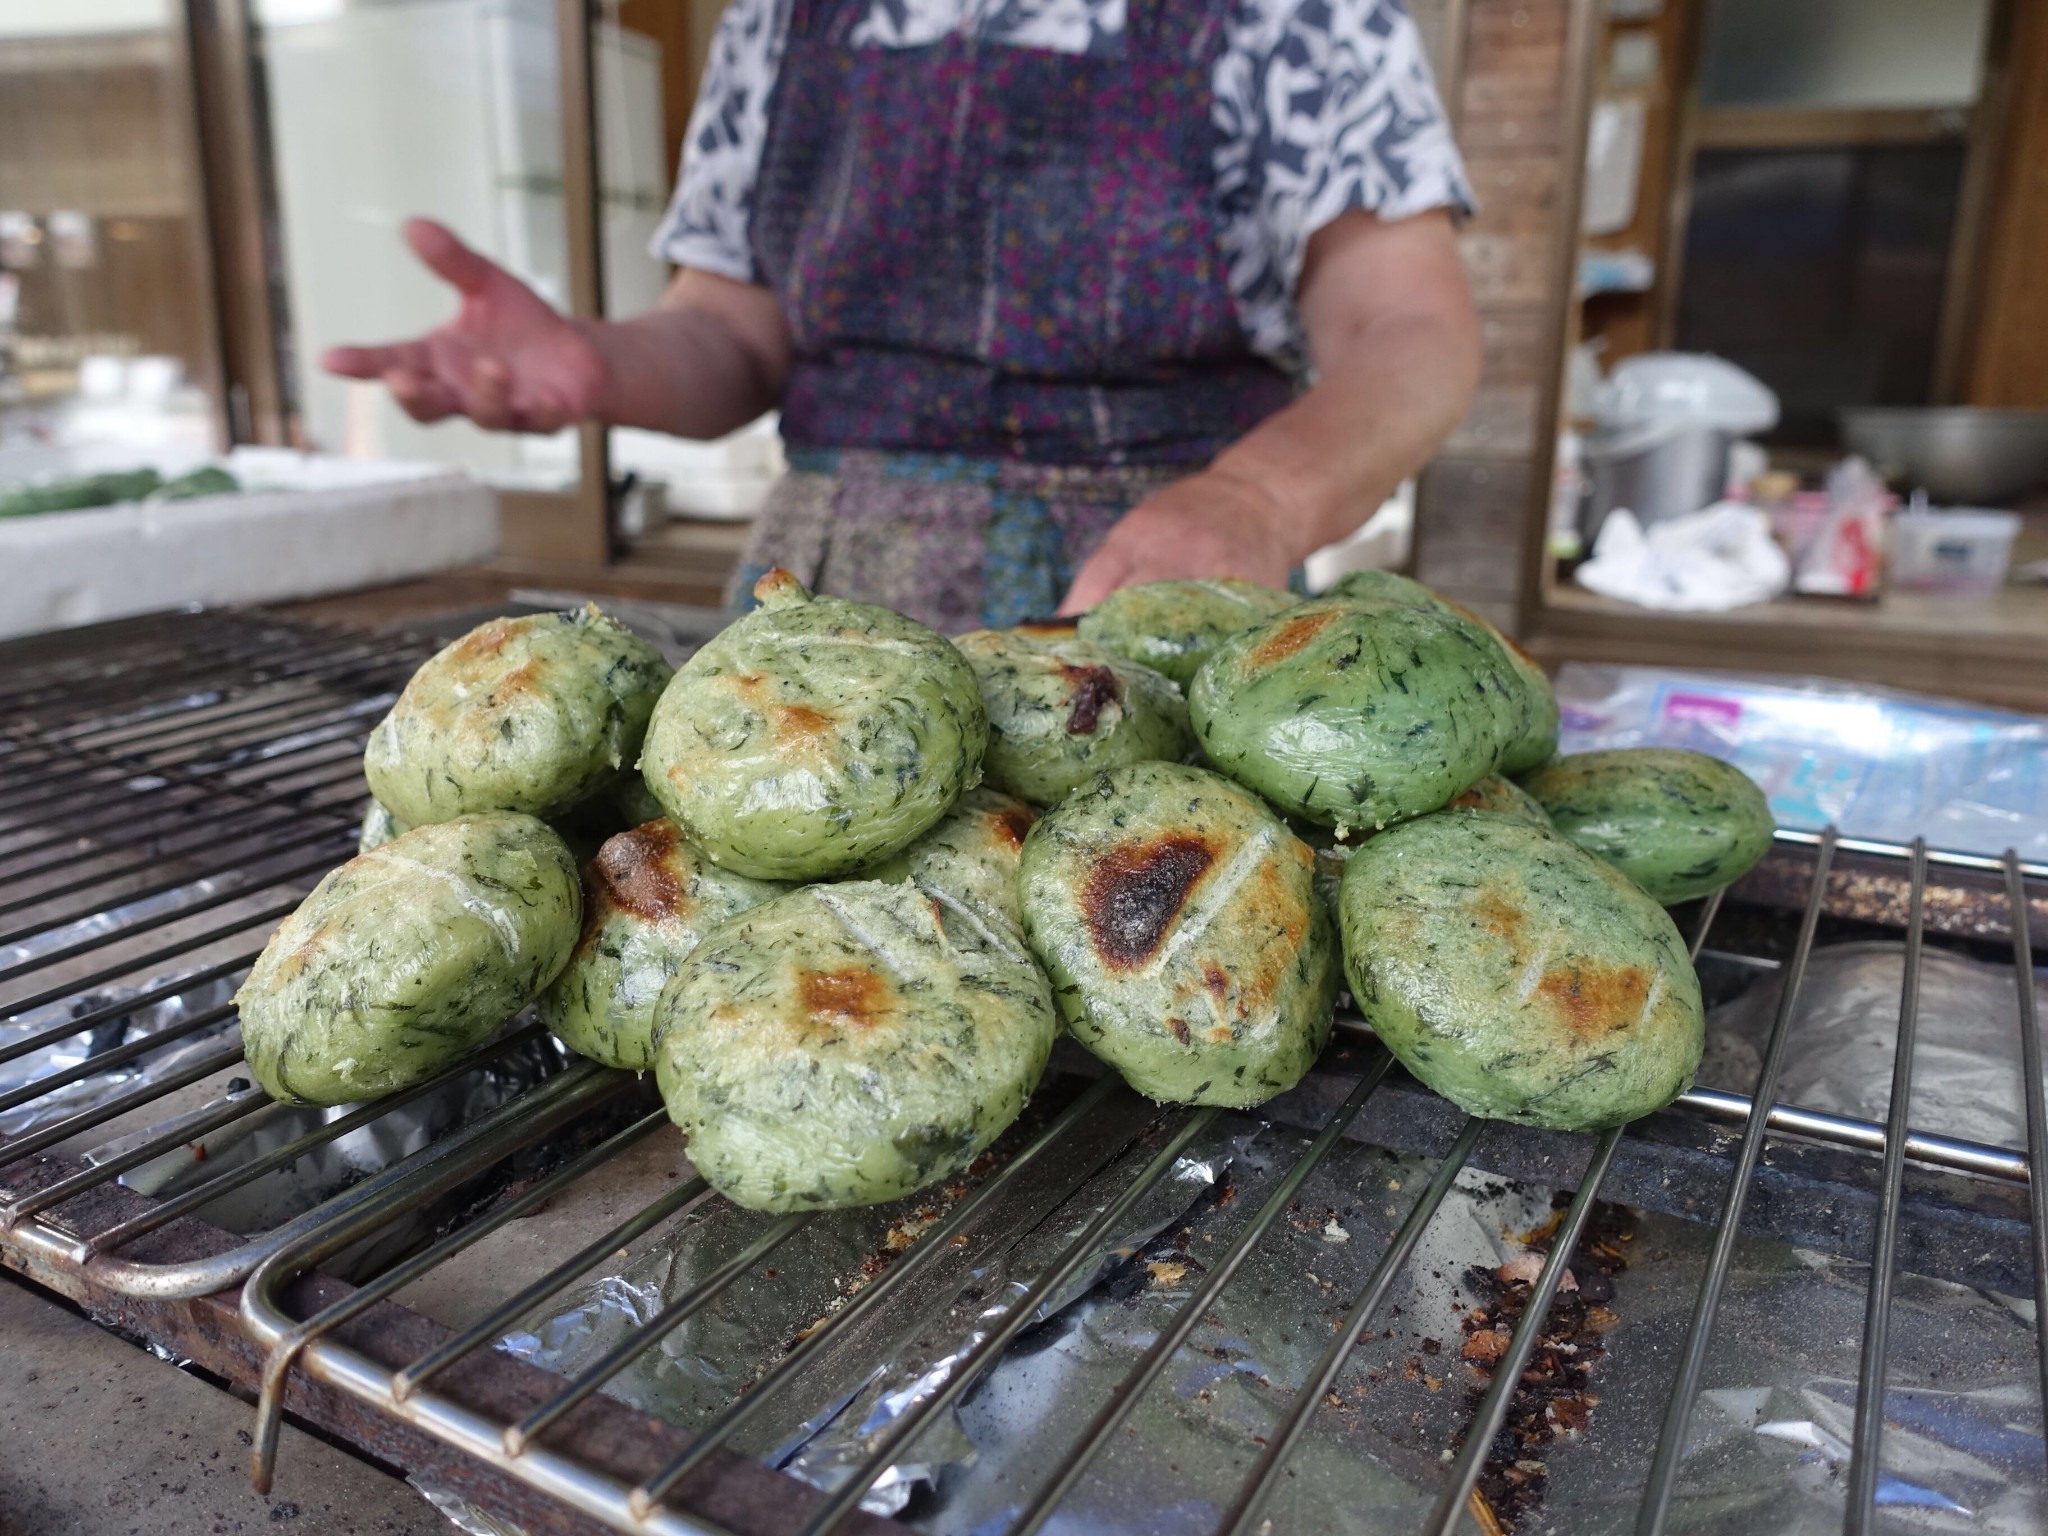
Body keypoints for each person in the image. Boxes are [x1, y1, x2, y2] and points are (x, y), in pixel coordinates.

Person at [327, 0, 1481, 633]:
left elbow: (1410, 335)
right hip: (827, 594)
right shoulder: (778, 24)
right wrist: (600, 361)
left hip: (1158, 589)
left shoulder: (1302, 18)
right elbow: (729, 336)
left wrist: (1258, 500)